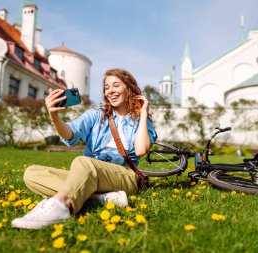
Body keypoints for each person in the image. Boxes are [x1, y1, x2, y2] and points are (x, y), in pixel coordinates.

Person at [12, 68, 157, 229]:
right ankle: (101, 198)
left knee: (83, 163)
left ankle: (62, 205)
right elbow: (71, 134)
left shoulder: (140, 121)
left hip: (123, 175)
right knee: (32, 173)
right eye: (107, 87)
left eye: (116, 85)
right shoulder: (96, 115)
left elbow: (140, 150)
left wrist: (143, 114)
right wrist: (54, 116)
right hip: (90, 174)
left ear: (129, 88)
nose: (111, 91)